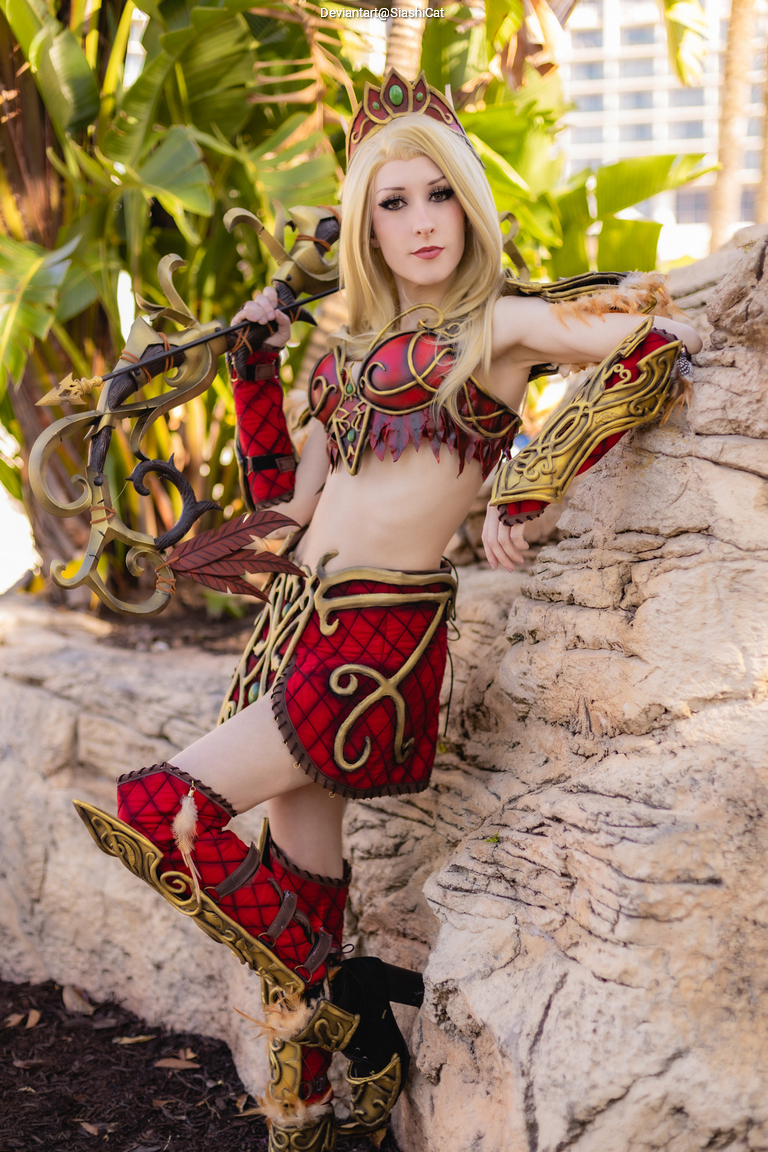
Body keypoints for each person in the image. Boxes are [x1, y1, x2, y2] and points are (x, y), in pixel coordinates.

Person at [79, 69, 702, 1151]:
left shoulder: (500, 325)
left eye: (438, 195)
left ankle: (357, 991)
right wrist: (252, 369)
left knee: (156, 812)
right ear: (365, 225)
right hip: (293, 635)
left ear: (471, 201)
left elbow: (651, 346)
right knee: (300, 891)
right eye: (392, 202)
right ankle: (320, 1108)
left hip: (374, 643)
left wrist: (535, 479)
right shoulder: (351, 360)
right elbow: (288, 509)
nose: (420, 222)